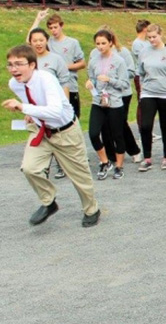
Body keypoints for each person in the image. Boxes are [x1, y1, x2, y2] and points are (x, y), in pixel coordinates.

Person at [3, 45, 100, 227]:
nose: (13, 68)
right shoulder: (14, 83)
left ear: (32, 65)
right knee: (29, 168)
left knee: (80, 176)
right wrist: (31, 113)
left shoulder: (46, 79)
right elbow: (34, 101)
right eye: (10, 65)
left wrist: (24, 107)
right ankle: (49, 202)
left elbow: (55, 111)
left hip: (65, 131)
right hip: (41, 130)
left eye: (18, 64)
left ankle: (91, 209)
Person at [86, 30, 130, 180]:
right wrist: (90, 83)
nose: (100, 46)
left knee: (117, 135)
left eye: (103, 43)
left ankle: (119, 165)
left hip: (114, 102)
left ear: (110, 43)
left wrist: (110, 80)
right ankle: (105, 162)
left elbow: (124, 84)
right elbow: (91, 77)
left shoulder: (119, 61)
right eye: (97, 43)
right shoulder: (93, 60)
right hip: (98, 101)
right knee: (93, 133)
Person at [27, 29, 70, 180]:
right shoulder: (28, 61)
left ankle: (63, 164)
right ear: (30, 42)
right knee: (41, 136)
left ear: (46, 41)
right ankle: (43, 167)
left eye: (41, 40)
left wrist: (65, 106)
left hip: (54, 105)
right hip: (37, 107)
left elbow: (65, 82)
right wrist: (28, 110)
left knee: (58, 135)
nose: (38, 43)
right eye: (34, 40)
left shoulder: (56, 59)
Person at [136, 24, 166, 172]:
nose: (152, 40)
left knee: (165, 125)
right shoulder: (144, 52)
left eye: (154, 37)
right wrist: (142, 90)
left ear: (161, 35)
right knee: (145, 125)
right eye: (149, 37)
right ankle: (147, 157)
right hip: (149, 92)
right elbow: (141, 73)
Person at [98, 25, 142, 166]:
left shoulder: (122, 52)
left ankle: (134, 151)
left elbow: (131, 71)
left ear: (111, 40)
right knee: (105, 124)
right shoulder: (96, 54)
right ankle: (111, 155)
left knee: (120, 124)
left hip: (122, 93)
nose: (101, 45)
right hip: (104, 94)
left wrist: (114, 77)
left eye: (104, 41)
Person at [29, 10, 85, 118]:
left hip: (70, 85)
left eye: (55, 27)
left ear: (61, 26)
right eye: (51, 28)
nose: (53, 30)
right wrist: (38, 19)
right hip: (53, 87)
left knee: (72, 118)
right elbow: (31, 38)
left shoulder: (72, 43)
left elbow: (82, 63)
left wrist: (63, 67)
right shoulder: (48, 42)